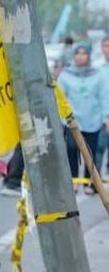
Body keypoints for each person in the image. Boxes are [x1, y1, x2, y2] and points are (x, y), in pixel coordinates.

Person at [57, 42, 109, 190]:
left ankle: (88, 181)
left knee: (90, 152)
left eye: (83, 53)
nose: (80, 57)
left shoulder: (97, 74)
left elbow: (104, 96)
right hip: (72, 121)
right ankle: (74, 180)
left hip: (93, 119)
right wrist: (61, 117)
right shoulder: (66, 75)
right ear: (73, 56)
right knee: (72, 149)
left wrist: (106, 116)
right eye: (77, 53)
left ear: (88, 55)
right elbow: (60, 97)